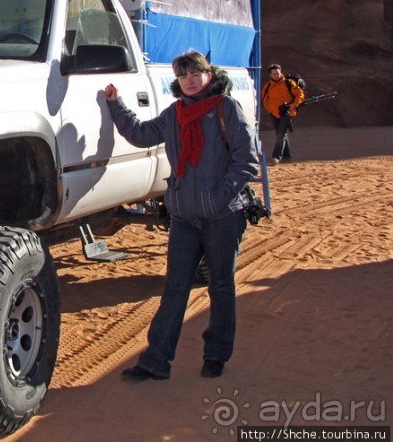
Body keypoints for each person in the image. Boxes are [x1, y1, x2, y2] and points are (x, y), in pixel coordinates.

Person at [103, 50, 259, 380]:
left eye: (195, 74)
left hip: (222, 216)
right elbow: (142, 134)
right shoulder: (175, 114)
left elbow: (247, 161)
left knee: (220, 285)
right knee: (175, 288)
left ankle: (216, 355)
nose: (189, 81)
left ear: (209, 75)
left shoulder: (226, 109)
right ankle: (155, 362)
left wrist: (219, 197)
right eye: (183, 76)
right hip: (185, 219)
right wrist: (116, 105)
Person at [261, 63, 305, 165]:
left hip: (287, 113)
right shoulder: (268, 86)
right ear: (270, 75)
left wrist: (294, 104)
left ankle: (276, 157)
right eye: (274, 74)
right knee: (281, 134)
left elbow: (300, 94)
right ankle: (287, 156)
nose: (277, 75)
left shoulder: (288, 83)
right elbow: (265, 99)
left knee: (281, 134)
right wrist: (270, 109)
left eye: (278, 73)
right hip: (274, 113)